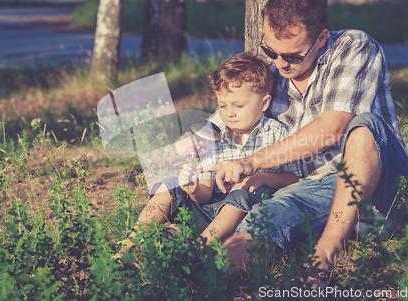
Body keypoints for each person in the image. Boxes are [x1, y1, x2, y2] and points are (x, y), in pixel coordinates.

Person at [193, 0, 408, 285]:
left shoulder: (354, 47)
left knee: (365, 126)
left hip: (385, 193)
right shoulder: (269, 74)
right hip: (313, 190)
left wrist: (251, 162)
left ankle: (325, 256)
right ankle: (199, 277)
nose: (280, 63)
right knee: (264, 219)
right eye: (270, 51)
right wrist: (192, 143)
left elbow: (332, 129)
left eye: (292, 55)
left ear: (320, 38)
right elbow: (215, 127)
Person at [121, 52, 302, 251]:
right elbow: (205, 195)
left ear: (264, 103)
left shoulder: (277, 134)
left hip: (243, 215)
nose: (229, 113)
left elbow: (294, 179)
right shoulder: (212, 137)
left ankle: (198, 248)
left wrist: (262, 178)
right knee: (170, 186)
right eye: (222, 105)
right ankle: (130, 245)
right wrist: (194, 188)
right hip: (207, 210)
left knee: (241, 188)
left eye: (238, 105)